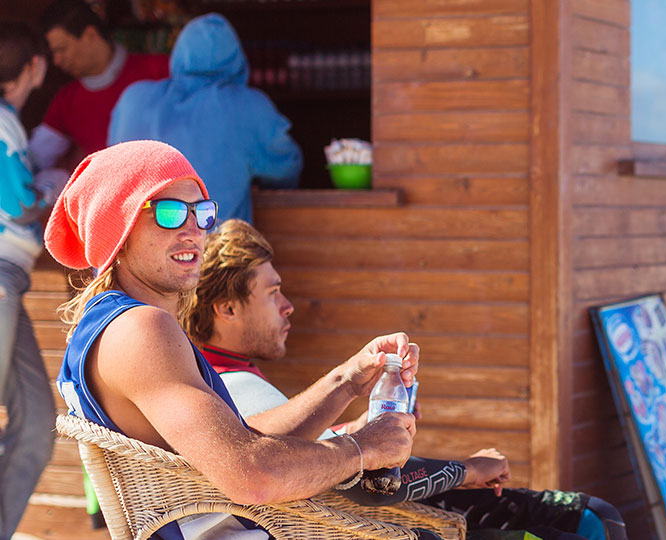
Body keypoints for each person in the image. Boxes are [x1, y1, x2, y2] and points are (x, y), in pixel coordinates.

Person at [46, 140, 421, 540]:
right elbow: (252, 475)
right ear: (118, 229)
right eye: (170, 212)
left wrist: (347, 380)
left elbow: (244, 442)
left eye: (202, 212)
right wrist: (362, 448)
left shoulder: (111, 326)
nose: (193, 230)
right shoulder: (141, 330)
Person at [183, 219, 629, 540]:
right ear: (228, 309)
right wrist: (467, 469)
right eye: (272, 291)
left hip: (369, 518)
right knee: (592, 521)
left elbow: (321, 455)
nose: (288, 305)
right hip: (365, 523)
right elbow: (359, 482)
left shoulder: (226, 381)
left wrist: (369, 427)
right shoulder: (236, 388)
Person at [109, 13, 301, 224]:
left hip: (131, 246)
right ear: (238, 60)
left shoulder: (133, 98)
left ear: (178, 54)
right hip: (211, 249)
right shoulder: (246, 106)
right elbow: (286, 168)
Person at [0, 21, 58, 540]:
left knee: (37, 426)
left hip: (10, 282)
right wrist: (53, 187)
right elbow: (17, 204)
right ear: (34, 67)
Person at [30, 0, 169, 171]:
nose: (57, 61)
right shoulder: (66, 101)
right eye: (53, 53)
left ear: (90, 35)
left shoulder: (159, 71)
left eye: (62, 49)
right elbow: (37, 157)